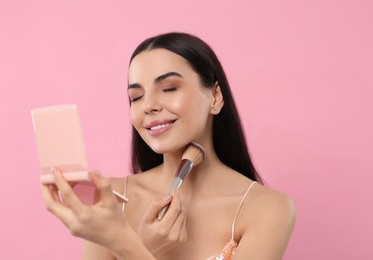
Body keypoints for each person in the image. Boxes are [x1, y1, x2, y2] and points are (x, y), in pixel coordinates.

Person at [42, 32, 296, 259]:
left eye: (169, 88)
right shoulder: (110, 200)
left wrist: (127, 245)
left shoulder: (266, 209)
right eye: (136, 97)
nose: (149, 105)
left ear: (216, 97)